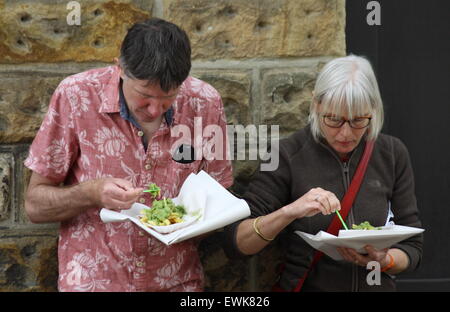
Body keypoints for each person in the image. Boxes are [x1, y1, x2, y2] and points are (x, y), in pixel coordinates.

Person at [24, 18, 232, 292]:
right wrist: (91, 193)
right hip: (93, 282)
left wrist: (187, 220)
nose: (155, 110)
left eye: (168, 97)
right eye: (144, 95)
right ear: (120, 68)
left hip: (177, 282)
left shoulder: (205, 102)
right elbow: (34, 206)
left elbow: (221, 194)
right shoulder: (76, 96)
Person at [225, 55, 423, 291]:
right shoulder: (285, 154)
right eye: (334, 120)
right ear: (316, 105)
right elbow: (237, 242)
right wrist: (290, 211)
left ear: (373, 110)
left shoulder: (392, 153)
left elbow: (413, 247)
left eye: (359, 120)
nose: (345, 134)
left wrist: (385, 260)